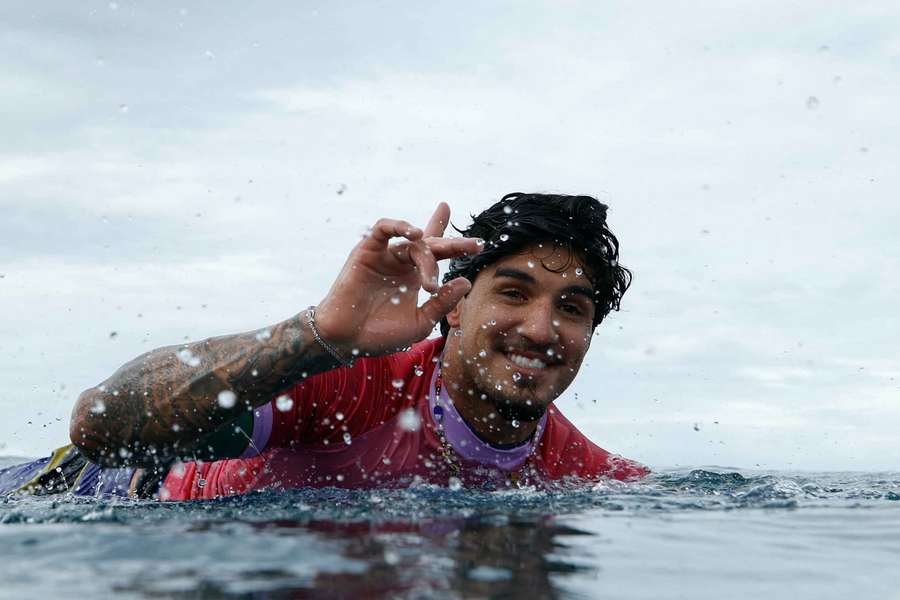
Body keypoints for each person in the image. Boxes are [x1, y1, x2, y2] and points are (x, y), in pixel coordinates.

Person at [1, 193, 647, 500]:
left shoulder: (589, 475)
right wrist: (320, 337)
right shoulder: (355, 387)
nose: (540, 329)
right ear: (453, 307)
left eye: (571, 308)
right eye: (513, 292)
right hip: (96, 500)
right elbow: (101, 425)